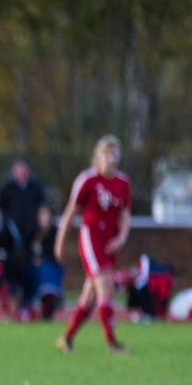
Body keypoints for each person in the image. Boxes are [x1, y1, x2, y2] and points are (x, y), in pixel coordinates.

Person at [54, 134, 131, 353]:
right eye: (107, 153)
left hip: (110, 240)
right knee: (106, 286)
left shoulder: (123, 182)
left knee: (90, 294)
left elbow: (125, 214)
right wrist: (60, 242)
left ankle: (67, 338)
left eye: (115, 153)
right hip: (91, 237)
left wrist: (122, 238)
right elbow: (71, 212)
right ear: (98, 156)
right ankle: (111, 342)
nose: (111, 157)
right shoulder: (87, 179)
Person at [20, 204, 64, 321]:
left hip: (50, 266)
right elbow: (25, 251)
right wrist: (33, 259)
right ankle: (31, 304)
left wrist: (42, 259)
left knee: (46, 269)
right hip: (32, 267)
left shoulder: (55, 233)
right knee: (31, 271)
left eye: (46, 214)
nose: (44, 217)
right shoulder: (32, 232)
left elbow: (57, 254)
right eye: (42, 214)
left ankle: (48, 296)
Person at [0, 158, 48, 247]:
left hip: (33, 229)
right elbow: (0, 207)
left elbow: (43, 205)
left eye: (24, 170)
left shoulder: (36, 187)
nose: (22, 173)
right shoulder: (7, 188)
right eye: (19, 170)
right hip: (12, 229)